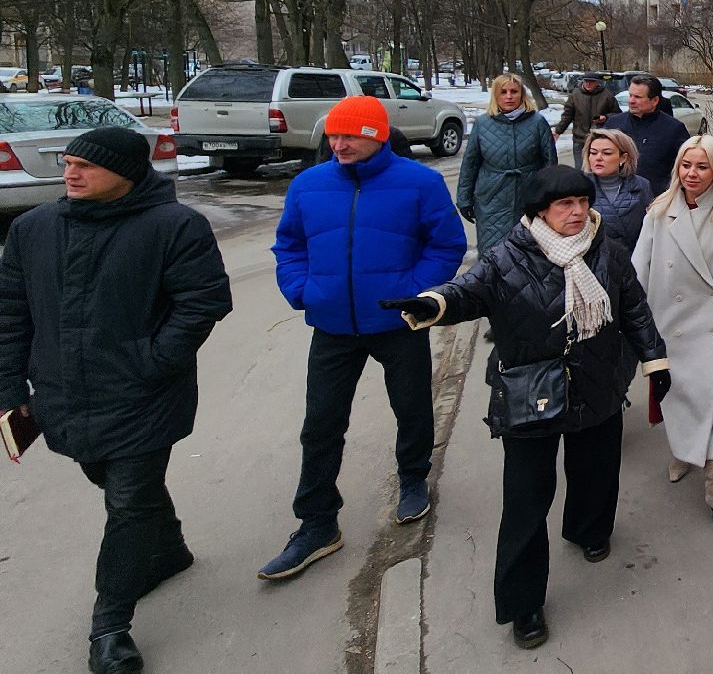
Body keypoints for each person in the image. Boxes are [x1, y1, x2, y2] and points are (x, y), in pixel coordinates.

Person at [384, 166, 670, 650]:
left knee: (597, 469)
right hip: (529, 392)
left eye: (583, 202)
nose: (578, 212)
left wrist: (654, 360)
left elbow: (635, 308)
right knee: (525, 501)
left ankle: (588, 529)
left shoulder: (610, 253)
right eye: (565, 205)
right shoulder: (505, 258)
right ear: (540, 211)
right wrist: (432, 304)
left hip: (598, 383)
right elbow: (468, 292)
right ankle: (524, 603)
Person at [0, 126, 232, 674]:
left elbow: (204, 301)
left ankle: (110, 628)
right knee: (113, 481)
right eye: (68, 163)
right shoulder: (33, 230)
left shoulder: (175, 226)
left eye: (86, 166)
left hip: (144, 395)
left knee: (126, 501)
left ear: (126, 175)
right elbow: (11, 314)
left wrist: (151, 362)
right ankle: (169, 549)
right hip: (63, 394)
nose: (70, 173)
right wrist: (12, 391)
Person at [261, 96, 466, 581]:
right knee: (321, 424)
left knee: (412, 406)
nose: (339, 144)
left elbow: (447, 244)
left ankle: (413, 479)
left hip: (397, 323)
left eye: (349, 136)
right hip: (332, 326)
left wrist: (413, 293)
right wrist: (301, 290)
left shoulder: (419, 182)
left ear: (375, 135)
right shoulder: (309, 184)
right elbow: (288, 244)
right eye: (334, 135)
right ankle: (316, 523)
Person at [634, 136, 713, 528]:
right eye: (686, 165)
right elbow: (640, 267)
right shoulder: (659, 211)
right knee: (681, 399)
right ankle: (684, 449)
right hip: (672, 326)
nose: (692, 173)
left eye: (701, 166)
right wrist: (634, 321)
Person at [459, 73, 559, 254]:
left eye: (514, 91)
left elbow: (550, 163)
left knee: (528, 251)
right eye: (503, 92)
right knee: (493, 251)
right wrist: (464, 198)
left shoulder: (537, 122)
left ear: (522, 94)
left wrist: (548, 197)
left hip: (528, 196)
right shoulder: (483, 124)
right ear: (496, 95)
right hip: (491, 197)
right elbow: (470, 163)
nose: (509, 96)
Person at [583, 129, 654, 252]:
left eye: (607, 153)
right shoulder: (580, 187)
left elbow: (650, 230)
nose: (598, 158)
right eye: (593, 153)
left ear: (623, 158)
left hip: (633, 261)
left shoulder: (642, 186)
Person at [553, 72, 619, 170]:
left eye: (591, 82)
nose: (588, 84)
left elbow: (617, 114)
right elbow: (567, 115)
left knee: (598, 169)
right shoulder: (575, 95)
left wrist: (606, 117)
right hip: (579, 139)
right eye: (586, 81)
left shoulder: (607, 96)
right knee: (581, 170)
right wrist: (558, 131)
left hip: (599, 139)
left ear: (597, 82)